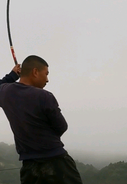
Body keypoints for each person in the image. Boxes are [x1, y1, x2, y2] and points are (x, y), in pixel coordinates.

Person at [0, 55, 83, 184]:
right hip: (57, 162)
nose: (47, 79)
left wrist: (12, 76)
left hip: (29, 166)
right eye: (46, 74)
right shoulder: (44, 96)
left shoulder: (5, 93)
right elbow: (61, 127)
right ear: (35, 72)